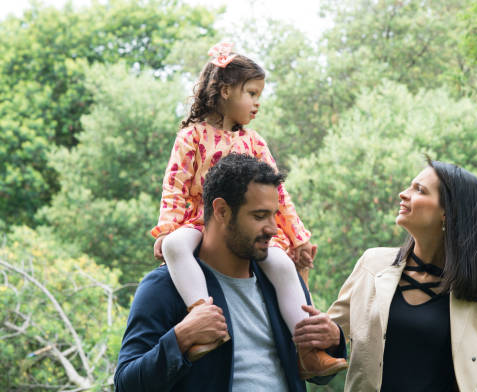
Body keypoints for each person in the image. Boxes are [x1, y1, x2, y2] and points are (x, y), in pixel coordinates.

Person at [150, 41, 345, 375]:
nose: (257, 104)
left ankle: (309, 351)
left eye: (259, 96)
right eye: (251, 94)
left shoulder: (253, 142)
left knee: (283, 266)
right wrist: (168, 228)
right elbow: (176, 186)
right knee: (174, 246)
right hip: (201, 223)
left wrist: (296, 237)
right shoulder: (192, 137)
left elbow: (278, 195)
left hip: (247, 229)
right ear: (225, 91)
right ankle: (201, 315)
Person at [115, 154, 347, 391]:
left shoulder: (280, 281)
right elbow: (126, 384)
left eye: (273, 215)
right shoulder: (164, 286)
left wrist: (332, 340)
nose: (273, 228)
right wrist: (180, 339)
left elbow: (316, 375)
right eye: (259, 216)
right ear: (222, 211)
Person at [321, 159, 477, 391]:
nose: (403, 194)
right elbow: (324, 345)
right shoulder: (371, 265)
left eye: (419, 190)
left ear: (447, 212)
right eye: (410, 186)